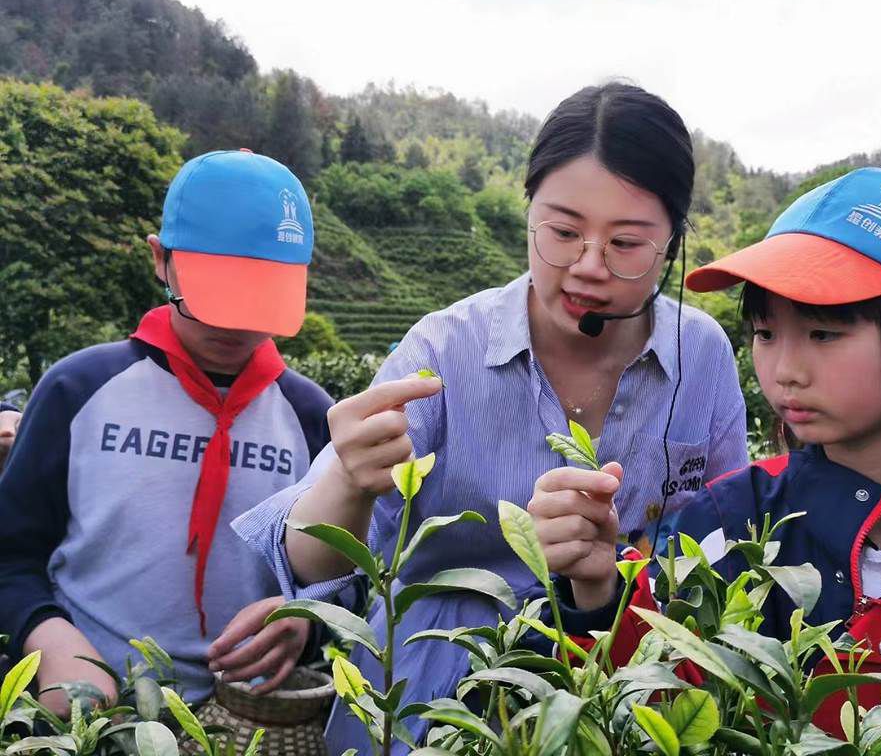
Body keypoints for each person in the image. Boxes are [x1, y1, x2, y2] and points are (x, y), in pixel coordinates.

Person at [233, 83, 750, 750]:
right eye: (562, 232)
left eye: (625, 244)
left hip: (618, 688)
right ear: (528, 209)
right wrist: (349, 481)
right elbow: (309, 563)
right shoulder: (445, 350)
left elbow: (722, 552)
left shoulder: (698, 354)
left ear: (671, 243)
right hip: (430, 695)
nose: (587, 268)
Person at [530, 167, 881, 746]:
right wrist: (596, 589)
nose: (783, 371)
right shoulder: (730, 522)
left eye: (823, 333)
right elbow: (645, 703)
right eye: (764, 332)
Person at [0, 150, 334, 712]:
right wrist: (46, 634)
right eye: (218, 294)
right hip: (91, 710)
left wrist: (309, 621)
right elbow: (10, 553)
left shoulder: (309, 417)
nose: (234, 323)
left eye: (258, 297)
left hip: (247, 717)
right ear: (161, 260)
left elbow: (341, 577)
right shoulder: (78, 390)